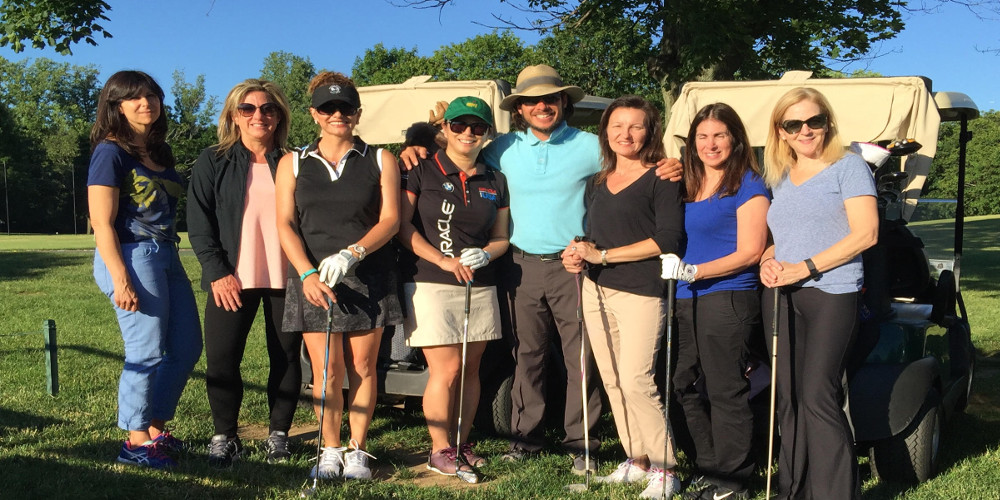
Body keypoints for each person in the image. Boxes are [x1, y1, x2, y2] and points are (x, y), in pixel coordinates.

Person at [401, 64, 682, 473]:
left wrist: (668, 164)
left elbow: (634, 162)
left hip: (575, 267)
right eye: (532, 101)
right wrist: (416, 145)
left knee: (580, 359)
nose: (541, 107)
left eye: (550, 99)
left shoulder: (591, 145)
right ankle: (524, 439)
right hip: (520, 265)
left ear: (563, 102)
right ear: (519, 109)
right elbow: (458, 147)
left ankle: (581, 443)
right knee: (526, 356)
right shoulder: (502, 147)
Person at [275, 71, 402, 481]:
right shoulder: (293, 162)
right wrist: (307, 273)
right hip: (314, 279)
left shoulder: (381, 159)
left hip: (368, 274)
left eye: (345, 107)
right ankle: (329, 449)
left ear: (357, 113)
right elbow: (284, 224)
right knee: (327, 370)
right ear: (314, 114)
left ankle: (358, 450)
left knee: (363, 366)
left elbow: (391, 220)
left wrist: (354, 252)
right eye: (327, 108)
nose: (337, 114)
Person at [561, 95, 686, 498]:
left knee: (636, 379)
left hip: (642, 292)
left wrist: (604, 256)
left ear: (650, 131)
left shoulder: (662, 177)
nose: (625, 134)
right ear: (605, 132)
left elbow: (668, 239)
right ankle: (637, 459)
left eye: (635, 126)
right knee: (613, 380)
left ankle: (666, 469)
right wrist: (578, 252)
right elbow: (596, 235)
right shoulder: (598, 182)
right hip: (597, 289)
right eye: (617, 125)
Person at [759, 88, 878, 500]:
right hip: (783, 296)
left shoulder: (849, 166)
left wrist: (805, 267)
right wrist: (768, 261)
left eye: (814, 121)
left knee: (817, 395)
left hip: (832, 292)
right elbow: (781, 238)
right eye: (794, 124)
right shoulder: (781, 175)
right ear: (781, 131)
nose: (805, 130)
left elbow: (867, 233)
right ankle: (793, 491)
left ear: (828, 122)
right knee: (788, 398)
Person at [87, 70, 202, 469]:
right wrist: (120, 279)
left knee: (186, 347)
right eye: (134, 97)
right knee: (146, 350)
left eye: (152, 95)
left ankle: (154, 429)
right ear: (116, 106)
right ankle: (135, 442)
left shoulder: (160, 152)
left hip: (167, 253)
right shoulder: (110, 152)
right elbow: (101, 223)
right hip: (132, 255)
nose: (145, 103)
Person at [187, 79, 302, 468]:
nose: (259, 116)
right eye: (248, 108)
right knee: (222, 359)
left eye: (268, 108)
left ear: (279, 116)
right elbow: (199, 222)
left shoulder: (294, 160)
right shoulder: (213, 160)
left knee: (286, 357)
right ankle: (225, 437)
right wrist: (217, 272)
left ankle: (279, 435)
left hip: (287, 276)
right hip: (230, 278)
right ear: (234, 116)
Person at [397, 96, 510, 475]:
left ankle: (461, 443)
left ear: (487, 133)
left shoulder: (495, 179)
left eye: (477, 126)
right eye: (459, 125)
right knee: (446, 369)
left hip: (479, 283)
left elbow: (501, 237)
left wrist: (487, 255)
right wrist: (443, 260)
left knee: (471, 368)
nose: (468, 133)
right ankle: (439, 449)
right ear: (444, 129)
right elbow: (403, 227)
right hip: (431, 281)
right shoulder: (421, 169)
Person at [663, 103, 770, 500]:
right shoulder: (686, 183)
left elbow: (752, 251)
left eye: (719, 135)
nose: (710, 144)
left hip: (727, 296)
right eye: (702, 137)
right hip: (685, 297)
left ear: (735, 139)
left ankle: (733, 480)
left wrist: (696, 271)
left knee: (725, 389)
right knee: (682, 382)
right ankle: (709, 467)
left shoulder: (748, 184)